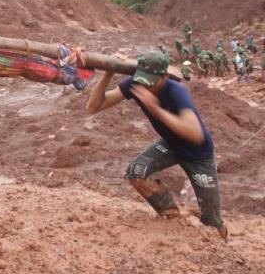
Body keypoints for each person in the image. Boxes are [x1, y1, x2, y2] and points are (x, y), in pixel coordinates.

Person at [86, 51, 227, 241]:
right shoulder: (136, 83)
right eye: (142, 80)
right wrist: (107, 74)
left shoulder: (176, 91)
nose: (146, 86)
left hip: (198, 154)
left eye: (151, 81)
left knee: (211, 221)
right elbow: (94, 107)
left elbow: (195, 134)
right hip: (171, 145)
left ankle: (222, 244)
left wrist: (155, 109)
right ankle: (171, 215)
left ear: (164, 77)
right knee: (136, 172)